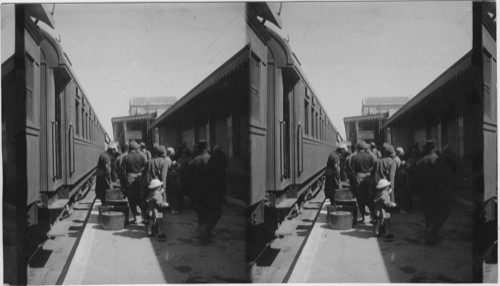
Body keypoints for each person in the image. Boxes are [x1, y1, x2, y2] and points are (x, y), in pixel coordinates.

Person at [414, 140, 453, 245]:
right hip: (440, 192)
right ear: (435, 149)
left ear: (426, 149)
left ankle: (431, 235)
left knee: (429, 214)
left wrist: (417, 193)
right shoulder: (441, 160)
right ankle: (433, 234)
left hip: (426, 193)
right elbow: (447, 176)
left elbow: (415, 178)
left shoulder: (422, 161)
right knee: (442, 212)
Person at [189, 141, 222, 244]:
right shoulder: (213, 159)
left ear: (198, 149)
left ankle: (204, 238)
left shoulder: (194, 161)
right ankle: (205, 230)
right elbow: (219, 178)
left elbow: (189, 180)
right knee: (217, 211)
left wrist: (191, 195)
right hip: (212, 192)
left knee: (201, 214)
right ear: (207, 149)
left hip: (198, 192)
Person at [349, 141, 376, 223]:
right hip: (369, 178)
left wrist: (353, 181)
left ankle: (364, 217)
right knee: (370, 197)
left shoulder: (354, 157)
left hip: (359, 178)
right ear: (365, 148)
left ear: (358, 148)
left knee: (360, 198)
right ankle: (372, 217)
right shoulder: (370, 156)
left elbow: (351, 171)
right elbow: (375, 167)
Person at [369, 143, 397, 222]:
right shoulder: (392, 162)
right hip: (386, 187)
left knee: (378, 206)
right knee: (386, 208)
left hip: (377, 186)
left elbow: (372, 173)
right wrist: (392, 189)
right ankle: (384, 227)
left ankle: (377, 223)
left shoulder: (378, 161)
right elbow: (392, 177)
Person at [121, 141, 147, 223]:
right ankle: (145, 217)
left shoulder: (125, 157)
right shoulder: (142, 156)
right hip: (140, 179)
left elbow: (122, 173)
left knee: (131, 199)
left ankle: (135, 217)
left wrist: (123, 185)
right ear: (136, 148)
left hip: (130, 180)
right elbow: (146, 168)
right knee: (142, 199)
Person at [142, 145, 171, 218]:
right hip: (158, 187)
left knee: (151, 204)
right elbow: (164, 176)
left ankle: (149, 219)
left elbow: (144, 174)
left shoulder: (149, 161)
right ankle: (158, 222)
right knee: (159, 204)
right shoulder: (164, 162)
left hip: (149, 186)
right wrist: (164, 187)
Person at [166, 147, 183, 213]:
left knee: (172, 194)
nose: (174, 154)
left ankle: (172, 207)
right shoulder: (168, 160)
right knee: (173, 194)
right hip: (170, 179)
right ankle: (174, 208)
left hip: (170, 179)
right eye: (172, 152)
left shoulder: (169, 159)